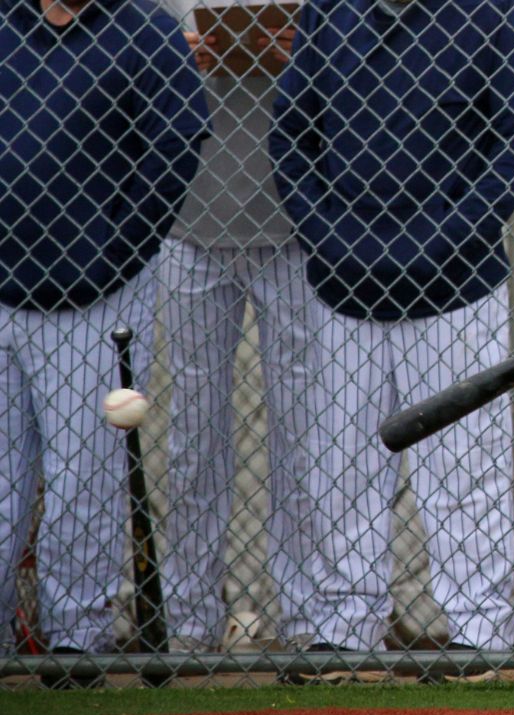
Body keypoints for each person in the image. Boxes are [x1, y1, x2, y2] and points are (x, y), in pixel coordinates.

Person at [270, 0, 514, 658]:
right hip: (343, 286)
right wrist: (328, 238)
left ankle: (480, 638)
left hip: (455, 285)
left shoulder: (486, 12)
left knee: (463, 467)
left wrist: (444, 239)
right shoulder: (328, 13)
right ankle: (345, 633)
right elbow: (291, 137)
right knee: (340, 466)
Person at [0, 0, 208, 669]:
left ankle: (74, 644)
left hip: (95, 299)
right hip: (3, 293)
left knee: (82, 479)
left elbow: (176, 147)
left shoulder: (144, 30)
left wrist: (110, 253)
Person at [155, 0, 317, 654]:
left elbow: (349, 65)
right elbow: (127, 60)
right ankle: (189, 625)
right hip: (191, 222)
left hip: (294, 225)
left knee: (303, 429)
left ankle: (311, 625)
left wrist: (297, 53)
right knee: (195, 432)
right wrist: (182, 57)